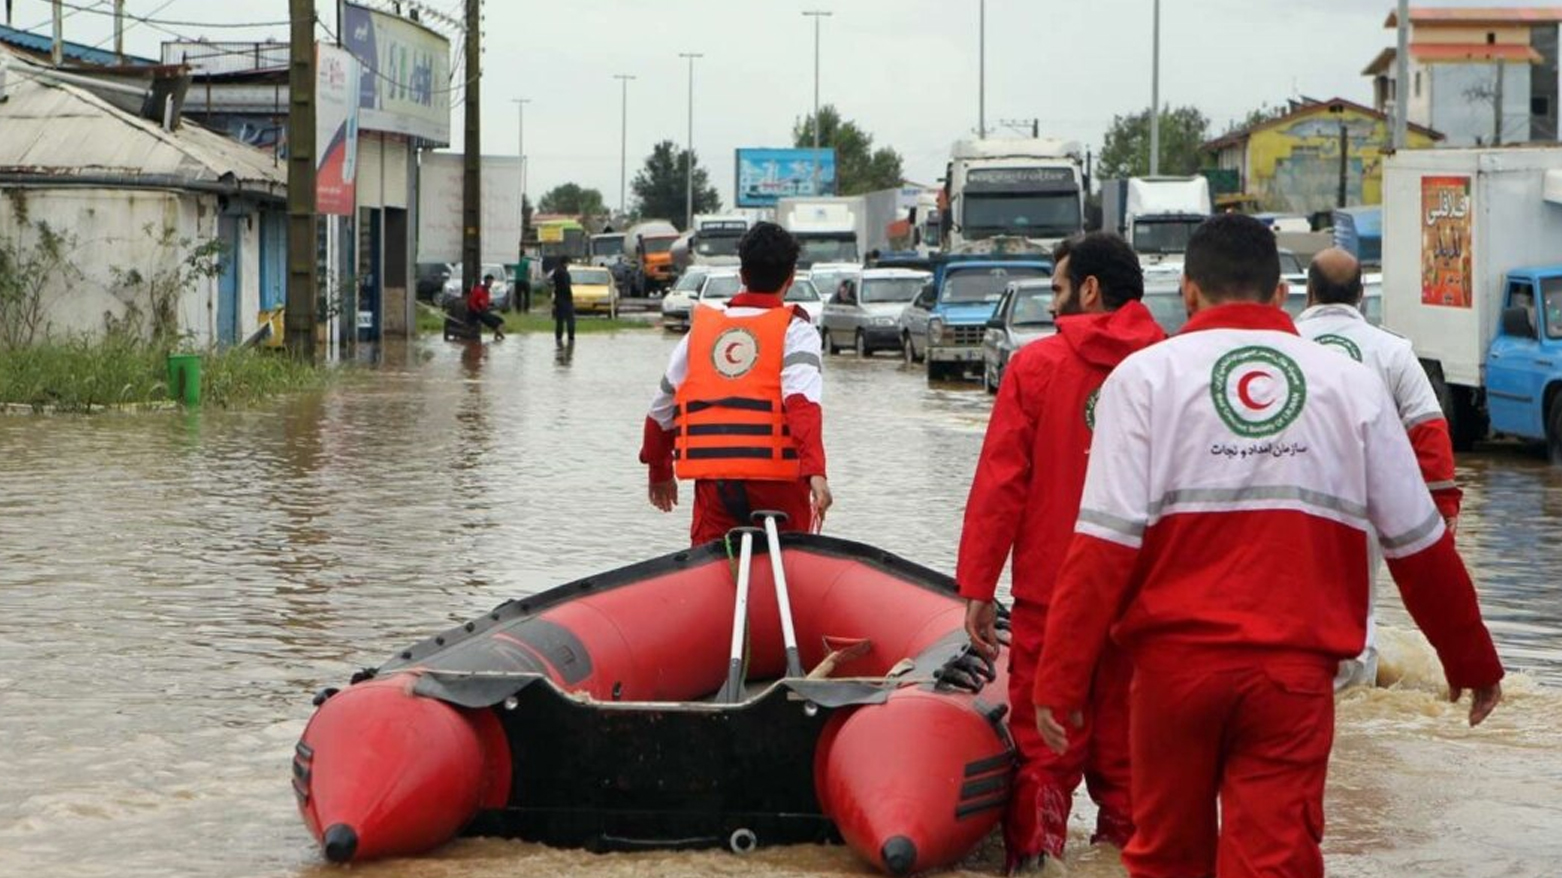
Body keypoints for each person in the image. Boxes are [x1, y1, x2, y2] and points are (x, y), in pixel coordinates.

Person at [1032, 214, 1504, 878]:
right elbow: (1418, 543)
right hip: (1293, 681)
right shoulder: (1353, 385)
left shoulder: (1142, 379)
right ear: (1281, 294)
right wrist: (1470, 658)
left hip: (1172, 677)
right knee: (1276, 859)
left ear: (1188, 292)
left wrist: (1060, 677)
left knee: (1166, 857)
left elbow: (1104, 544)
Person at [957, 233, 1165, 873]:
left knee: (1044, 754)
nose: (1051, 305)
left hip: (1052, 599)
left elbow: (1002, 484)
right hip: (1146, 602)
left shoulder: (1036, 367)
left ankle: (1035, 860)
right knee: (1132, 764)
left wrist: (978, 588)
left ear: (1089, 290)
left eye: (1057, 289)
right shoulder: (1173, 367)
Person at [1296, 248, 1462, 690]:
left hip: (1283, 498)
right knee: (1355, 607)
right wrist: (1443, 506)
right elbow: (1428, 430)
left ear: (1309, 292)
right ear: (1362, 295)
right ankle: (1355, 698)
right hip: (1362, 504)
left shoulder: (1281, 343)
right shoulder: (1392, 351)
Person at [640, 222, 832, 545]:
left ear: (742, 274)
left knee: (711, 564)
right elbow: (802, 404)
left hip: (716, 485)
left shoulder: (701, 332)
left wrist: (659, 471)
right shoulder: (797, 331)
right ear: (791, 277)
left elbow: (660, 410)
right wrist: (816, 472)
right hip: (779, 486)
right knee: (788, 566)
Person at [465, 273, 504, 340]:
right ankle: (501, 338)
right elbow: (471, 302)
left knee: (501, 321)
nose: (490, 284)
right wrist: (477, 310)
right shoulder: (478, 290)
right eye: (489, 282)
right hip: (476, 313)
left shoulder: (487, 291)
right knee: (496, 324)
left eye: (491, 282)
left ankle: (497, 338)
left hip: (484, 312)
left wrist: (490, 304)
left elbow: (484, 302)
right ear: (485, 282)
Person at [552, 255, 576, 345]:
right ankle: (571, 338)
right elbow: (567, 287)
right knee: (570, 320)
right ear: (565, 263)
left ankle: (558, 338)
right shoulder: (565, 273)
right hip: (566, 299)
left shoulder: (556, 272)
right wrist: (570, 297)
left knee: (559, 321)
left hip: (558, 299)